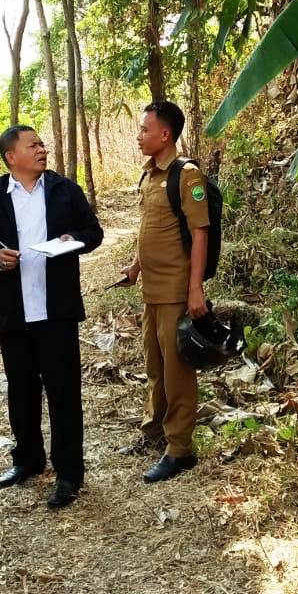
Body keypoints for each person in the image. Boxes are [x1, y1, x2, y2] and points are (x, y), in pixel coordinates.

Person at [0, 125, 103, 509]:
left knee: (64, 393)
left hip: (56, 310)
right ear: (12, 157)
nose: (42, 149)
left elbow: (94, 233)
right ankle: (27, 459)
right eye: (34, 145)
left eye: (42, 143)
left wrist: (70, 239)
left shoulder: (63, 190)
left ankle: (69, 472)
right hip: (15, 312)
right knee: (21, 390)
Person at [119, 101, 210, 483]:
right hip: (151, 291)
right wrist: (135, 268)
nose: (139, 136)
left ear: (165, 134)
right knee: (155, 367)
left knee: (178, 372)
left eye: (144, 130)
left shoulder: (186, 176)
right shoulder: (148, 176)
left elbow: (199, 233)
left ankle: (179, 448)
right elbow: (151, 230)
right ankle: (153, 430)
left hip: (175, 291)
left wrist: (195, 290)